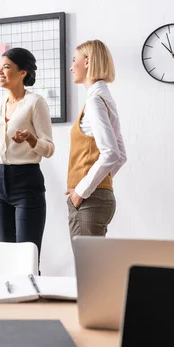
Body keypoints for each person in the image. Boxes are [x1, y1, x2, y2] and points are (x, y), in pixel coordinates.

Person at [0, 48, 54, 255]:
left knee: (27, 255)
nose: (0, 72)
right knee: (5, 254)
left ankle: (31, 288)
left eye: (6, 67)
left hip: (26, 182)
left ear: (22, 72)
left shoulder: (35, 103)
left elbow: (49, 148)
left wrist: (31, 139)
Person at [66, 39, 127, 240]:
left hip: (89, 201)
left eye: (75, 60)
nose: (71, 67)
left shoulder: (94, 102)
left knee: (88, 269)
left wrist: (82, 190)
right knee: (93, 267)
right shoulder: (104, 98)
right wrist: (98, 183)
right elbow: (120, 156)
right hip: (96, 197)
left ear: (87, 62)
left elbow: (111, 154)